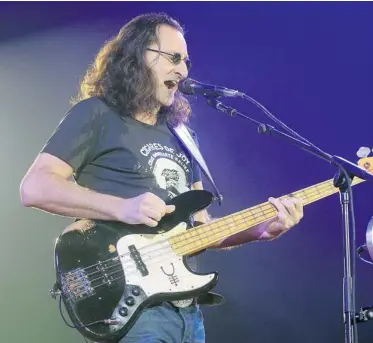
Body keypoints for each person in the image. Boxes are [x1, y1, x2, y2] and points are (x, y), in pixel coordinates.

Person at [19, 12, 304, 343]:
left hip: (187, 314)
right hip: (132, 310)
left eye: (186, 62)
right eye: (173, 58)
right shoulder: (97, 113)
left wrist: (261, 230)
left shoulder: (183, 136)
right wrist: (122, 208)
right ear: (137, 56)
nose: (182, 71)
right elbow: (35, 187)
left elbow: (200, 230)